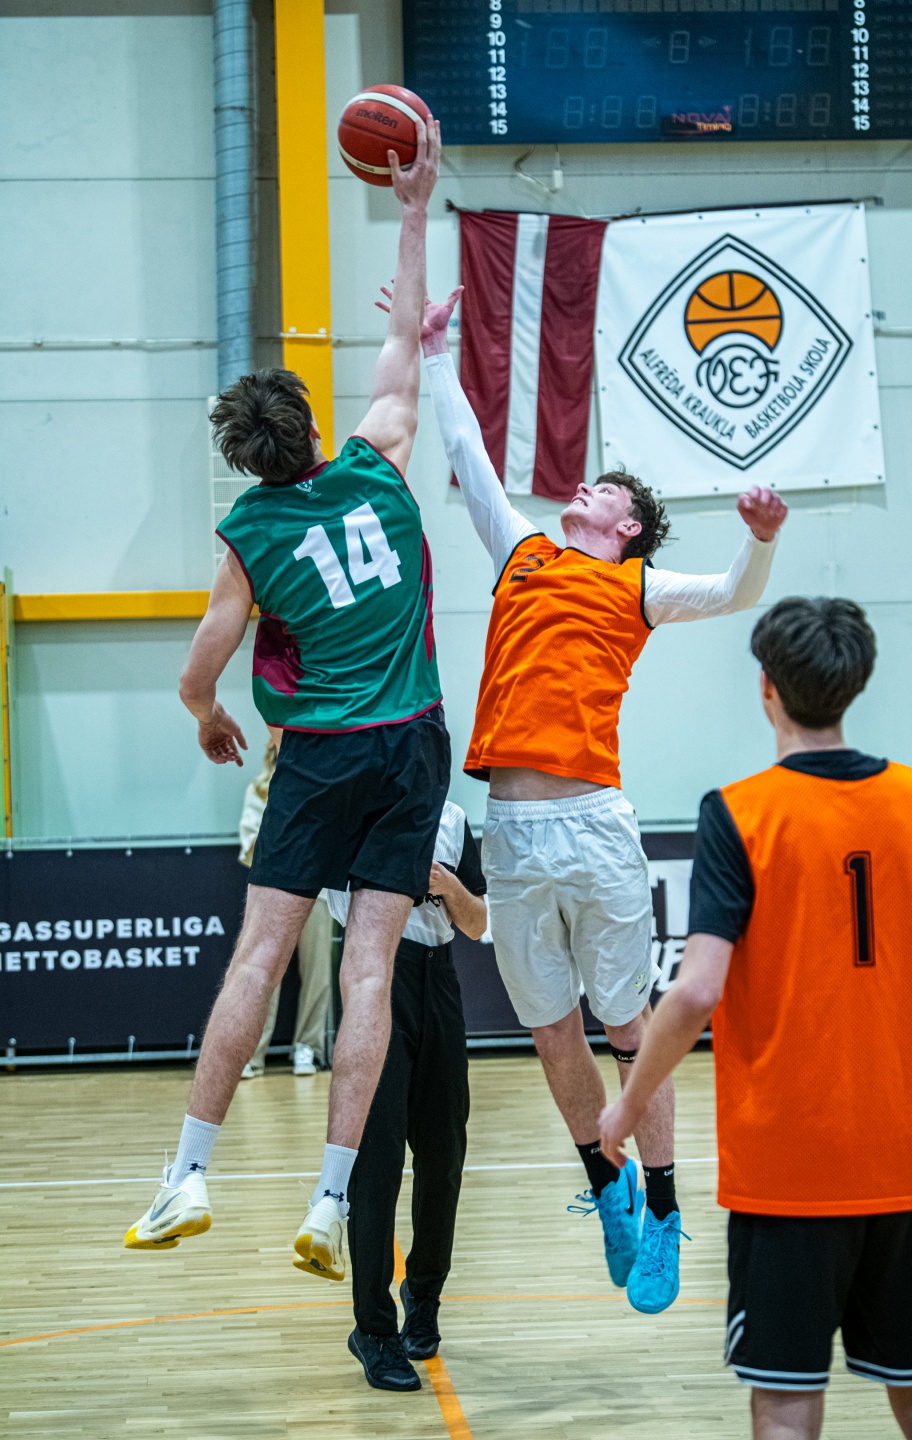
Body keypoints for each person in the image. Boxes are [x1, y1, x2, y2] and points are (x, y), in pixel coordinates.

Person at [413, 287, 787, 1315]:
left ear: (626, 527)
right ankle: (606, 1185)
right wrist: (438, 350)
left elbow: (736, 593)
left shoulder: (640, 587)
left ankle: (663, 1205)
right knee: (550, 1031)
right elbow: (468, 452)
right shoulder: (522, 552)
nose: (582, 486)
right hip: (513, 832)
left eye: (604, 489)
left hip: (593, 825)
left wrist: (761, 538)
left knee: (627, 1025)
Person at [124, 117, 450, 1288]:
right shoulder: (375, 462)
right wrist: (411, 208)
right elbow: (403, 342)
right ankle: (330, 1198)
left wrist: (208, 718)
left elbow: (198, 671)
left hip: (317, 755)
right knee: (367, 973)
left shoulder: (248, 535)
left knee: (259, 959)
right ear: (315, 431)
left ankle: (188, 1176)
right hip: (411, 746)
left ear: (246, 460)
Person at [599, 597, 912, 1440]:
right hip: (906, 1157)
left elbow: (696, 992)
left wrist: (627, 1106)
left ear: (766, 686)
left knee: (788, 1408)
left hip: (788, 1171)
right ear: (857, 682)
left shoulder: (740, 813)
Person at [320, 800, 486, 1393]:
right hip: (373, 975)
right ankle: (373, 1328)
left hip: (438, 981)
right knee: (377, 1163)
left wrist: (447, 886)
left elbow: (478, 922)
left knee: (444, 1156)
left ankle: (425, 1294)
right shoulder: (346, 806)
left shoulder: (453, 819)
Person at [238, 734, 333, 1077]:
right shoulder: (258, 790)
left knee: (318, 973)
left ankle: (308, 1047)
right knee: (263, 972)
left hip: (318, 891)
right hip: (272, 893)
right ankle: (252, 1053)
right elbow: (249, 846)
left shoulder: (324, 787)